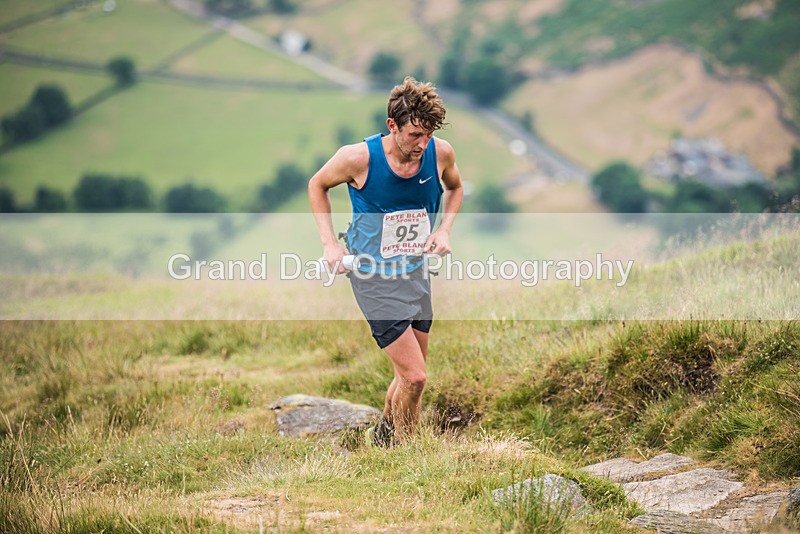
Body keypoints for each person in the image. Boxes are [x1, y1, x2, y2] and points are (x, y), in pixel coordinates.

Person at [308, 77, 463, 444]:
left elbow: (455, 187)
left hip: (415, 272)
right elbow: (317, 185)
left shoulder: (439, 153)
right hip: (372, 276)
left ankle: (382, 441)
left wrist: (444, 231)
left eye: (428, 134)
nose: (421, 144)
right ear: (392, 125)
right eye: (414, 135)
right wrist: (330, 244)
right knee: (415, 377)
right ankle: (406, 455)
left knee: (408, 375)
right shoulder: (357, 158)